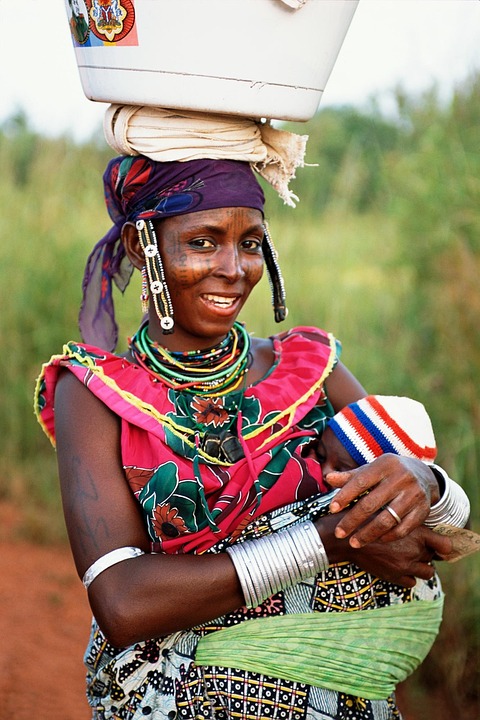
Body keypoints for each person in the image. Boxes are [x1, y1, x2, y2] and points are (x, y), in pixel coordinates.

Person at [35, 153, 469, 720]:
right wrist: (330, 539)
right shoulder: (92, 395)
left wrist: (426, 481)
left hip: (347, 701)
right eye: (204, 242)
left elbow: (439, 534)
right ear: (145, 249)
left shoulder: (310, 368)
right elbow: (123, 601)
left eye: (250, 242)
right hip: (178, 699)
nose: (235, 269)